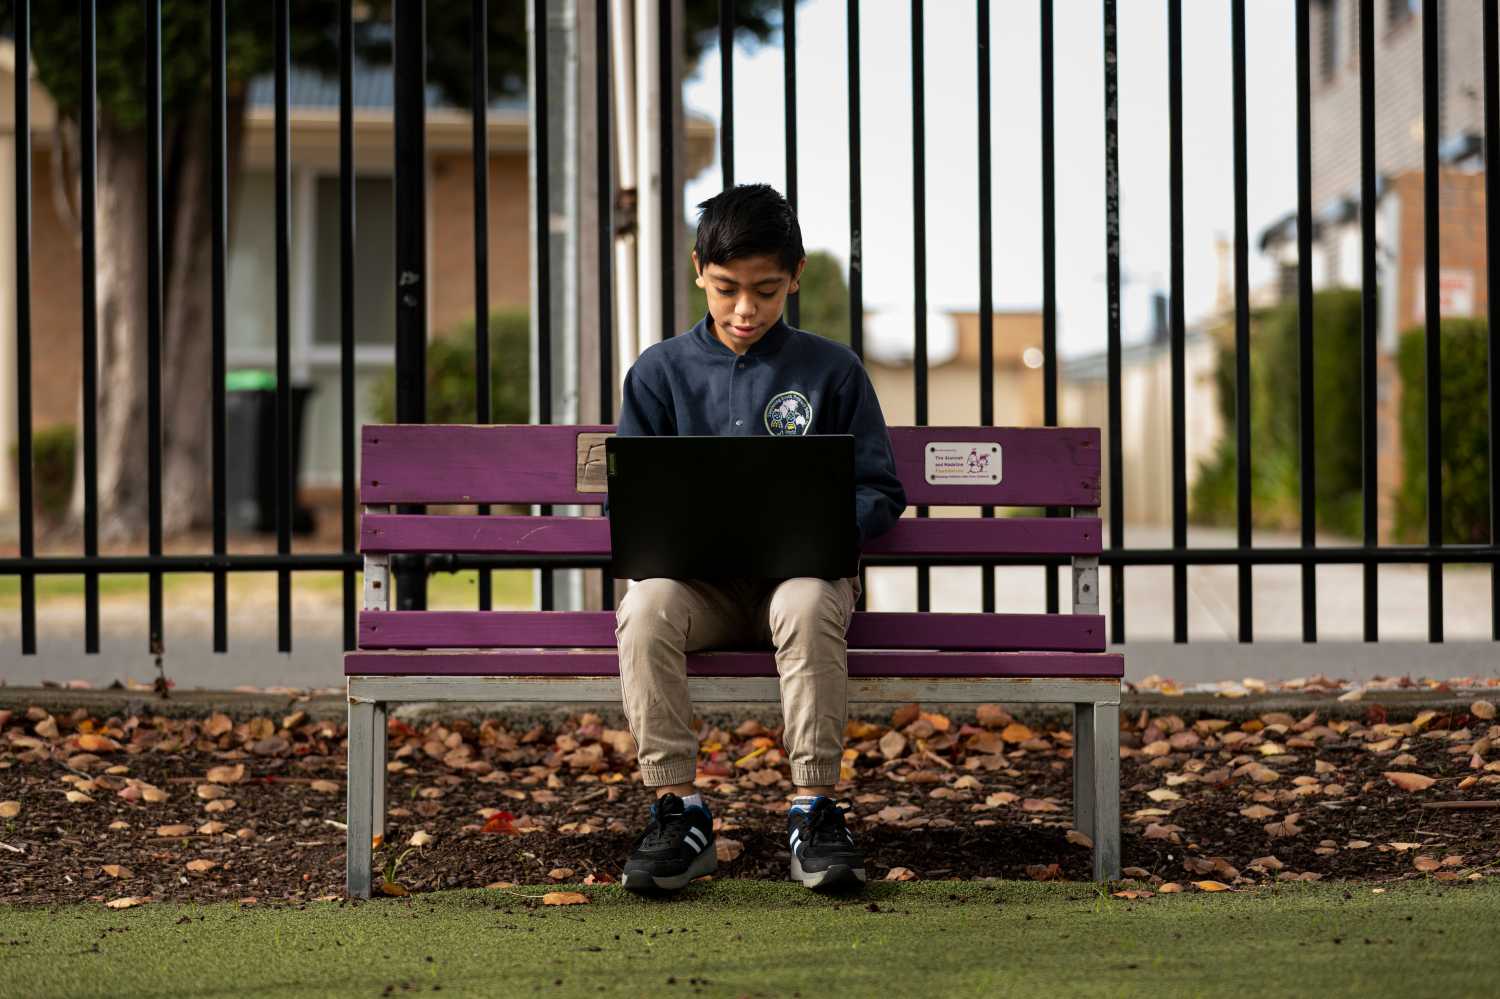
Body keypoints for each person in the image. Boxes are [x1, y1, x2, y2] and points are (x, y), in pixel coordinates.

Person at [612, 183, 906, 893]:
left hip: (799, 578)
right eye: (726, 289)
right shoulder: (659, 373)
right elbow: (634, 496)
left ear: (796, 276)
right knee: (645, 608)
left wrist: (837, 526)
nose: (746, 309)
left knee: (807, 603)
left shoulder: (832, 370)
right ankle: (677, 808)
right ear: (697, 271)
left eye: (767, 291)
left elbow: (881, 488)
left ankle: (813, 806)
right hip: (698, 589)